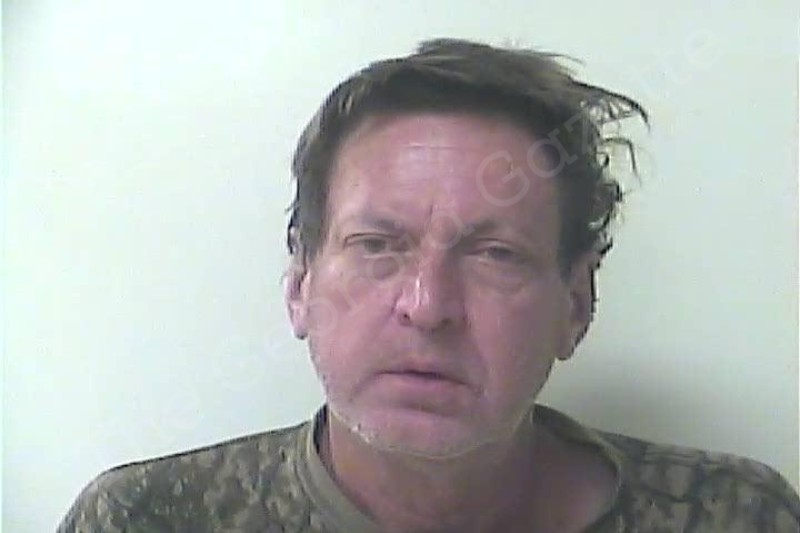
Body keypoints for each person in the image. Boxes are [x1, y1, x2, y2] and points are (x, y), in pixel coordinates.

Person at [57, 38, 799, 533]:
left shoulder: (735, 517)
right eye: (377, 246)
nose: (428, 306)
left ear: (576, 305)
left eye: (495, 255)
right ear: (299, 284)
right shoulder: (146, 519)